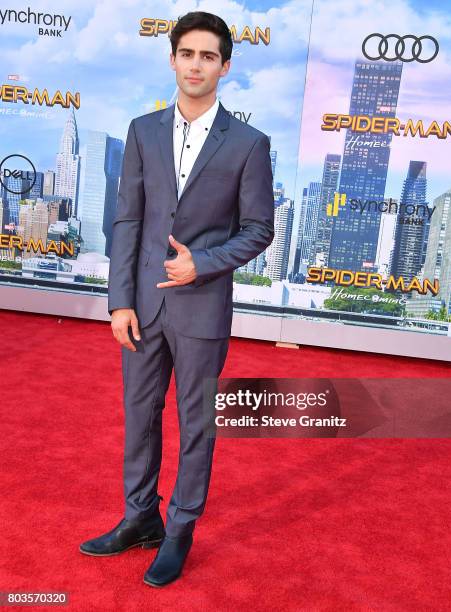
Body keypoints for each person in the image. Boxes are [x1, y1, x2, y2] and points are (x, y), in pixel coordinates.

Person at [79, 10, 274, 587]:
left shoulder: (249, 143)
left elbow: (259, 229)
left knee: (197, 423)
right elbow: (129, 218)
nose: (196, 65)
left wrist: (202, 265)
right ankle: (139, 517)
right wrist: (119, 301)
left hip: (202, 306)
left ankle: (181, 525)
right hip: (140, 303)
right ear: (172, 59)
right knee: (140, 416)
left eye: (208, 56)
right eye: (187, 53)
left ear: (225, 66)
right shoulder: (142, 131)